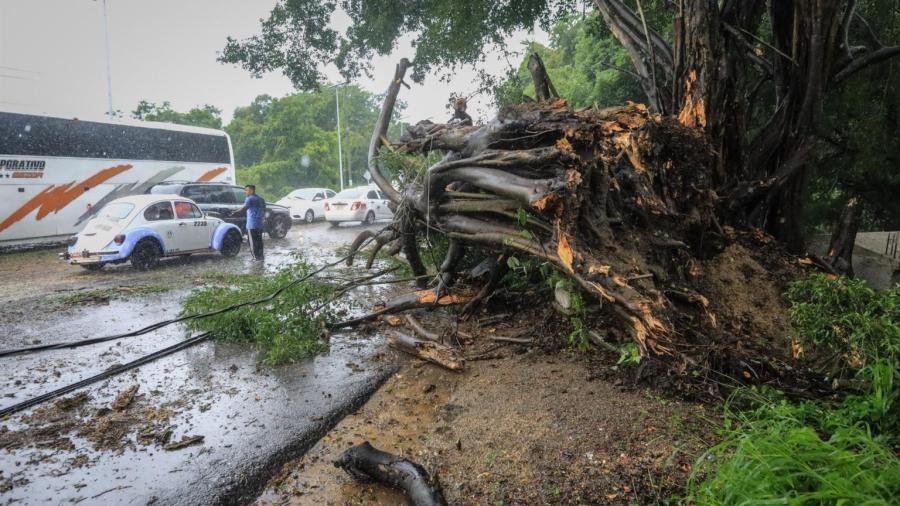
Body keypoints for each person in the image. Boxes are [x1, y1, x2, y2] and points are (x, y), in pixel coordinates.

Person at [232, 185, 266, 260]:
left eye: (246, 190)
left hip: (252, 225)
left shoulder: (249, 199)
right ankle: (261, 257)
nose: (245, 192)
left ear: (251, 190)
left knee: (252, 242)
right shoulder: (261, 199)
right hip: (260, 224)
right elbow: (264, 210)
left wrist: (234, 213)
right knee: (259, 241)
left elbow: (244, 209)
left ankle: (256, 258)